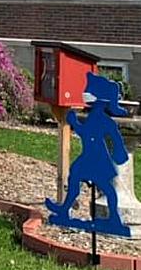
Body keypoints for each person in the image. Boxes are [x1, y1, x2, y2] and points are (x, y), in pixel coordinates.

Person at [45, 72, 130, 236]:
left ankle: (114, 219)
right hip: (90, 157)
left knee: (106, 188)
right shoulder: (97, 116)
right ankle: (64, 209)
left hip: (96, 159)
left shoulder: (100, 118)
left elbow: (87, 133)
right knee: (76, 178)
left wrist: (74, 123)